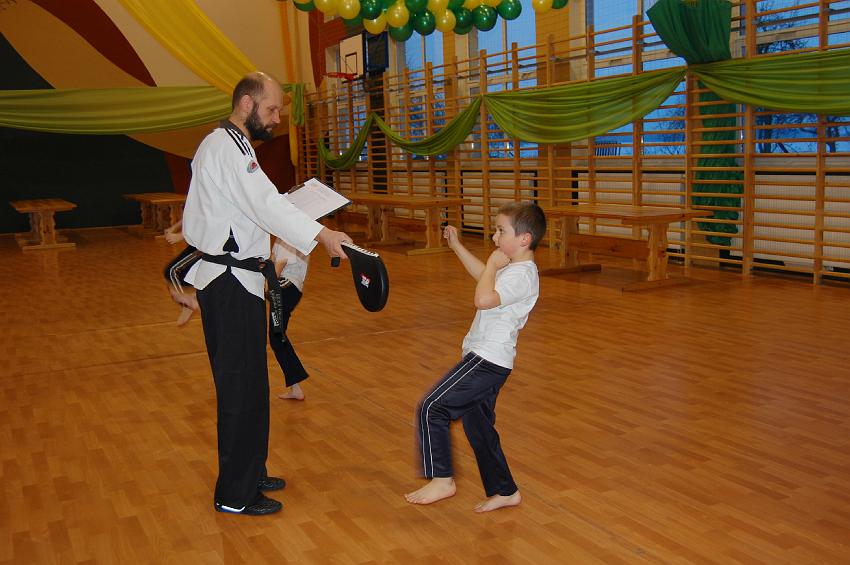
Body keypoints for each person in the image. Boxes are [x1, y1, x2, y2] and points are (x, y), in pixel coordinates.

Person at [182, 71, 352, 516]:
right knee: (239, 389)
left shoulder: (236, 147)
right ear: (246, 104)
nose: (277, 118)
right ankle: (234, 495)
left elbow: (261, 206)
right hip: (227, 282)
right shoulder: (226, 147)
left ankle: (250, 471)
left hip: (240, 281)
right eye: (272, 109)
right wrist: (322, 235)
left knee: (253, 385)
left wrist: (300, 215)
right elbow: (265, 205)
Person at [404, 202, 546, 513]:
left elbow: (483, 298)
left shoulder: (522, 275)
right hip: (488, 360)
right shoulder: (515, 269)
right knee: (478, 427)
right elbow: (485, 277)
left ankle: (442, 479)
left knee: (432, 407)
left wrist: (493, 264)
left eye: (501, 231)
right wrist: (457, 246)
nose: (495, 237)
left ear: (524, 239)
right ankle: (505, 490)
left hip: (487, 360)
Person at [268, 237, 310, 401]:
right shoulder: (282, 237)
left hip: (285, 288)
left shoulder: (288, 236)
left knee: (277, 335)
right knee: (277, 336)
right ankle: (295, 387)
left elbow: (280, 264)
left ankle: (296, 385)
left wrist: (266, 286)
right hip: (286, 289)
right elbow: (273, 260)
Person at [162, 220, 200, 326]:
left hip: (207, 244)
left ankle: (186, 300)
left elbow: (204, 220)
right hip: (197, 243)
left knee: (172, 272)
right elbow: (189, 215)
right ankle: (187, 303)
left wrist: (181, 235)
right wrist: (174, 227)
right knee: (175, 275)